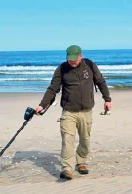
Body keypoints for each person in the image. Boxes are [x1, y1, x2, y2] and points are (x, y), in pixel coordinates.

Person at [34, 45, 112, 180]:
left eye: (74, 59)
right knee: (67, 139)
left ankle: (81, 162)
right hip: (68, 111)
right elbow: (53, 89)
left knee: (85, 139)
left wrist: (107, 99)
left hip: (86, 110)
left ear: (80, 56)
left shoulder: (89, 65)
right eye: (70, 59)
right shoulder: (62, 69)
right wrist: (42, 105)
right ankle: (67, 168)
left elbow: (100, 82)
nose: (72, 62)